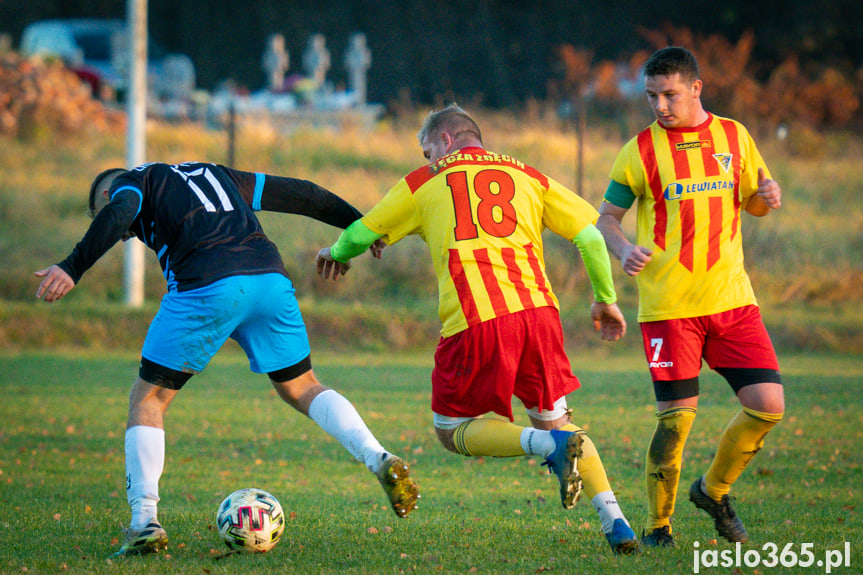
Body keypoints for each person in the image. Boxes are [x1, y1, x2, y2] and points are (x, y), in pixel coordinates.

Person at [34, 162, 420, 557]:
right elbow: (303, 194)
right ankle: (379, 457)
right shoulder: (216, 173)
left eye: (103, 211)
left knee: (148, 400)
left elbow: (120, 212)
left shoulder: (133, 184)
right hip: (269, 279)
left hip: (206, 286)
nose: (118, 235)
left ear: (105, 195)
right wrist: (362, 226)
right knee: (303, 386)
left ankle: (143, 522)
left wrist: (72, 267)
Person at [316, 104, 640, 555]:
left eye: (428, 149)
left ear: (445, 141)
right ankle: (617, 522)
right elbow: (589, 236)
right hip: (540, 315)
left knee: (451, 430)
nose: (427, 158)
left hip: (477, 318)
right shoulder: (529, 175)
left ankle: (548, 445)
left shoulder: (423, 182)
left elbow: (359, 233)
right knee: (559, 419)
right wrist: (606, 298)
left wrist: (336, 250)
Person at [595, 47, 784, 547]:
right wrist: (622, 249)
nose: (660, 105)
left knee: (768, 405)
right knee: (676, 422)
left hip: (732, 301)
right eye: (652, 95)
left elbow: (752, 201)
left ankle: (712, 490)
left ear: (696, 88)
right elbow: (606, 219)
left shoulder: (735, 136)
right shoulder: (638, 150)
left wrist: (765, 199)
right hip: (668, 308)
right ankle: (659, 527)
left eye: (669, 94)